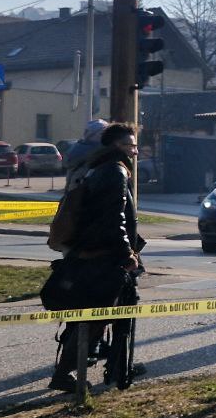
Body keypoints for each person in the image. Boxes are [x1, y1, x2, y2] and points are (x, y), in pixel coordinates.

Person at [48, 122, 147, 392]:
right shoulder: (115, 171)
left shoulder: (98, 167)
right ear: (117, 146)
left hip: (91, 252)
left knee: (95, 316)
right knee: (96, 318)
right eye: (131, 145)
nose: (135, 151)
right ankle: (66, 373)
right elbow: (113, 217)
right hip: (104, 256)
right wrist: (127, 253)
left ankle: (112, 365)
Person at [63, 118, 108, 188]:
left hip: (73, 189)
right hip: (83, 190)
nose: (106, 136)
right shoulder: (95, 149)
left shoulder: (77, 147)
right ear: (91, 135)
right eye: (102, 133)